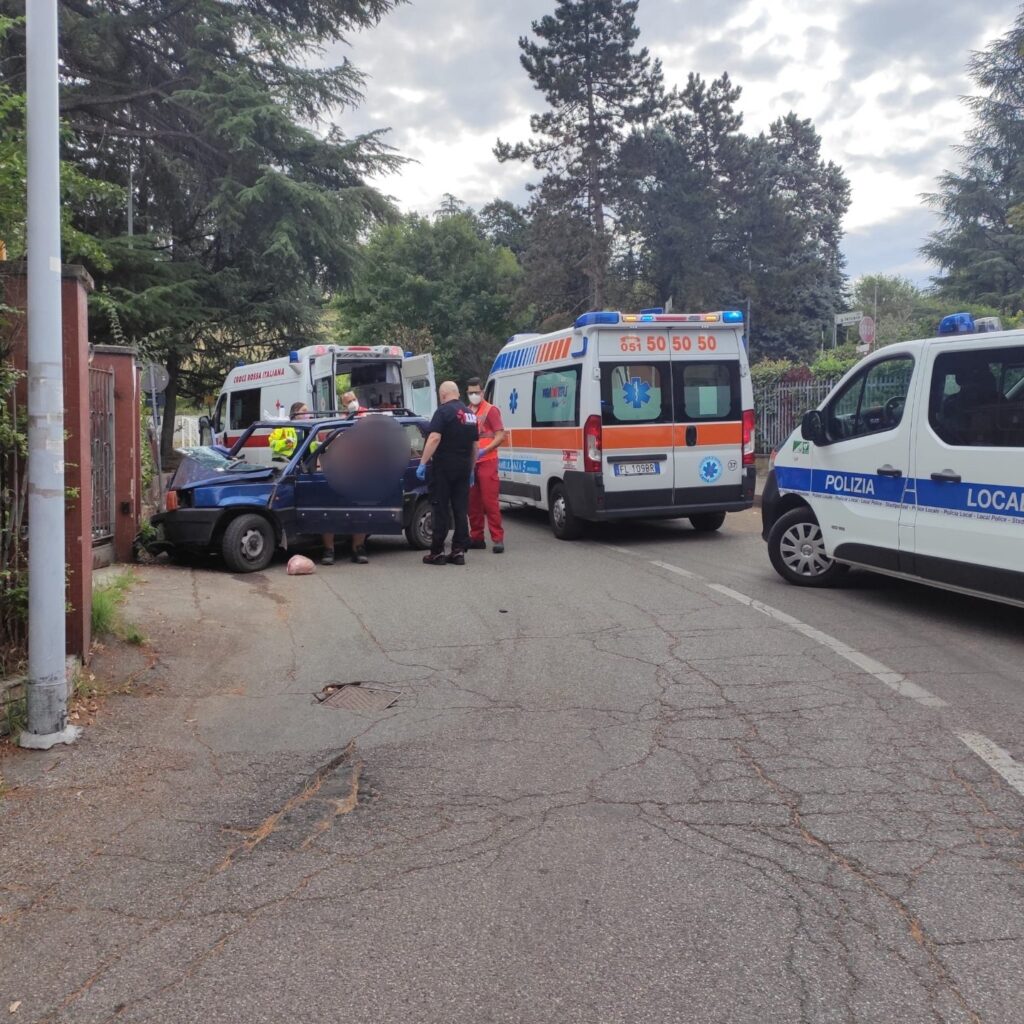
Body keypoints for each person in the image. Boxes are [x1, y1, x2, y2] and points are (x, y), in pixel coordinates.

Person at [416, 381, 478, 565]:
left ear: (442, 395)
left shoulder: (443, 412)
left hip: (444, 468)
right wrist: (471, 469)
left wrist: (422, 462)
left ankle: (437, 552)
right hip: (463, 467)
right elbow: (475, 445)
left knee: (440, 508)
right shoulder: (470, 414)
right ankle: (458, 551)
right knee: (460, 509)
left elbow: (434, 438)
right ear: (457, 393)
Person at [269, 402, 338, 566]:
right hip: (287, 470)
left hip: (307, 471)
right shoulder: (285, 428)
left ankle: (323, 544)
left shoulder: (311, 429)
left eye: (308, 411)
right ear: (295, 413)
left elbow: (315, 450)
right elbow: (274, 445)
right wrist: (286, 443)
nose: (308, 414)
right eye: (304, 411)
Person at [465, 377, 506, 553]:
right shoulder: (466, 411)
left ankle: (497, 539)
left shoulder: (491, 410)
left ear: (482, 392)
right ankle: (477, 537)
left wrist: (485, 450)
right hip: (471, 462)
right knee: (472, 503)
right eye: (471, 392)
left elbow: (500, 435)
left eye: (476, 392)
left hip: (487, 460)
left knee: (490, 502)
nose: (474, 395)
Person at [339, 391, 369, 563]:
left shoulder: (367, 415)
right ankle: (337, 546)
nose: (352, 403)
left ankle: (358, 547)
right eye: (349, 401)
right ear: (344, 405)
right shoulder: (341, 419)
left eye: (354, 399)